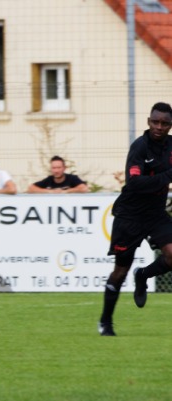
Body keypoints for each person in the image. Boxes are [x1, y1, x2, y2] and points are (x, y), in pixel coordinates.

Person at [100, 102, 172, 336]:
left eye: (164, 123)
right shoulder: (139, 147)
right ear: (149, 121)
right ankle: (106, 322)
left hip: (156, 214)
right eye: (155, 122)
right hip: (130, 216)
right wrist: (168, 176)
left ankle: (143, 275)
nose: (159, 127)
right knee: (120, 271)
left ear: (170, 126)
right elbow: (135, 183)